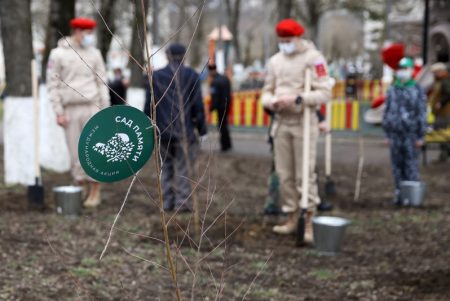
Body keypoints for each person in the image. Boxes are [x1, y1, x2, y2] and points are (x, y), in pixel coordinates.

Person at [261, 19, 331, 242]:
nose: (284, 44)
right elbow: (266, 91)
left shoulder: (314, 58)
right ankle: (291, 216)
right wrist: (271, 102)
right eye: (281, 41)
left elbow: (325, 92)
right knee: (284, 174)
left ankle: (308, 218)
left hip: (304, 122)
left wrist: (298, 98)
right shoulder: (275, 61)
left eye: (288, 40)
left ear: (298, 38)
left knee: (304, 174)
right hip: (281, 123)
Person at [47, 17, 109, 207]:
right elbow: (53, 84)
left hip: (92, 107)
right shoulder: (58, 54)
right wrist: (59, 111)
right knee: (75, 152)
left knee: (95, 150)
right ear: (77, 31)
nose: (89, 37)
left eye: (91, 33)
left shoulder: (95, 54)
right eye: (86, 33)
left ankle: (95, 190)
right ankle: (79, 187)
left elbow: (102, 82)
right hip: (70, 109)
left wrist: (104, 111)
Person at [144, 43, 207, 212]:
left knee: (165, 168)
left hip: (161, 132)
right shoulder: (192, 76)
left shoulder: (155, 77)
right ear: (184, 56)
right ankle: (182, 203)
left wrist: (148, 127)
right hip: (185, 132)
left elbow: (149, 106)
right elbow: (198, 106)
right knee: (183, 169)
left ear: (167, 55)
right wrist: (202, 130)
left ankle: (166, 203)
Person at [382, 57, 427, 206]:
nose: (402, 72)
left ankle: (412, 197)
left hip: (411, 134)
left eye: (405, 69)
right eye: (400, 69)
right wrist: (387, 133)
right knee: (397, 166)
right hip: (395, 134)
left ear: (411, 70)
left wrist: (421, 135)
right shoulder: (393, 89)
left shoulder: (417, 89)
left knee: (411, 165)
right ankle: (399, 195)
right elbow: (387, 111)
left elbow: (421, 113)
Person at [208, 64, 232, 152]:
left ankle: (224, 146)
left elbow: (215, 98)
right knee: (225, 125)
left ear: (211, 71)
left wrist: (211, 108)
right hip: (227, 106)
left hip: (219, 108)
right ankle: (228, 144)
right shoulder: (225, 79)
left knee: (221, 126)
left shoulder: (214, 82)